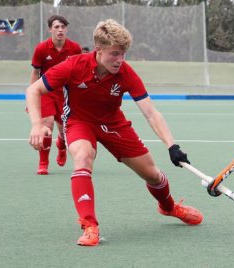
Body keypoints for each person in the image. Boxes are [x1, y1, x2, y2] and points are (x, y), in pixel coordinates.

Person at [26, 19, 203, 246]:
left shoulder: (125, 72)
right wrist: (36, 124)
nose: (120, 60)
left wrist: (172, 146)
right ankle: (90, 225)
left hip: (113, 124)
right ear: (98, 50)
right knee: (83, 157)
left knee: (153, 174)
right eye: (115, 54)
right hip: (79, 122)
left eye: (123, 54)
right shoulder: (73, 65)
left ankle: (169, 208)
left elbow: (151, 113)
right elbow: (34, 89)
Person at [30, 15, 82, 175]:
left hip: (65, 94)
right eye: (57, 27)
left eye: (63, 27)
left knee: (63, 130)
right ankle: (43, 162)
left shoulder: (75, 48)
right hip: (45, 92)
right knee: (46, 124)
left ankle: (61, 144)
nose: (60, 30)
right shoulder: (41, 49)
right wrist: (32, 99)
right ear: (50, 29)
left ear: (66, 29)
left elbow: (78, 73)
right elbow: (35, 73)